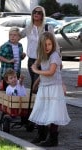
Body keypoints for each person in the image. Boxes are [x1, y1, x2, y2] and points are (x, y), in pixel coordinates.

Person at [20, 5, 60, 142]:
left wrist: (58, 61)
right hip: (35, 60)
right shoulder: (29, 27)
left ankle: (47, 133)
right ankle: (41, 130)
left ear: (43, 15)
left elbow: (54, 44)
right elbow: (16, 36)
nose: (36, 14)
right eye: (34, 12)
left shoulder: (48, 28)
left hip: (46, 62)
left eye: (39, 12)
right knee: (38, 97)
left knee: (44, 100)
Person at [29, 31, 71, 147]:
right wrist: (36, 82)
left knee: (53, 113)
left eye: (49, 44)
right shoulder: (42, 55)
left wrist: (36, 70)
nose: (47, 47)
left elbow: (51, 72)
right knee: (42, 110)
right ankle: (41, 135)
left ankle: (53, 139)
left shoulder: (54, 56)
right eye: (44, 45)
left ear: (53, 44)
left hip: (53, 88)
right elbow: (38, 65)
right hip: (44, 87)